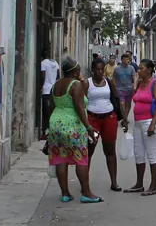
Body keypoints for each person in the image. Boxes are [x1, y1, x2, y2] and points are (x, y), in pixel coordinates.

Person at [47, 56, 102, 203]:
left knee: (61, 158)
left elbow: (51, 106)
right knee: (81, 159)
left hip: (56, 123)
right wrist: (89, 127)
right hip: (72, 125)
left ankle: (65, 193)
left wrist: (49, 127)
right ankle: (86, 193)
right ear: (75, 71)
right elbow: (79, 107)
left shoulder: (56, 85)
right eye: (78, 69)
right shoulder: (75, 85)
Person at [126, 59, 156, 196]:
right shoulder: (141, 83)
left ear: (148, 70)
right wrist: (135, 83)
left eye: (141, 68)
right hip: (138, 122)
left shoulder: (155, 84)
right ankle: (139, 183)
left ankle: (153, 185)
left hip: (149, 121)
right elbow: (134, 98)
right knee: (138, 153)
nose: (139, 70)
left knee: (151, 152)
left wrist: (153, 124)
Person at [84, 58, 121, 191]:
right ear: (92, 70)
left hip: (109, 118)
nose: (99, 72)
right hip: (93, 120)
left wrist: (123, 119)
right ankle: (85, 183)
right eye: (97, 70)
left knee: (110, 150)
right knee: (90, 149)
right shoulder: (86, 83)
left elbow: (117, 99)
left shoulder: (109, 82)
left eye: (101, 69)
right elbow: (81, 102)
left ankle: (114, 182)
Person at [40, 49, 60, 136]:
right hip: (53, 89)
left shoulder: (43, 63)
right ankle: (52, 130)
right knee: (52, 112)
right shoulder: (56, 63)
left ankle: (45, 131)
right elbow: (58, 76)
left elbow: (43, 77)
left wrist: (40, 87)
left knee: (45, 112)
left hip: (46, 89)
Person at [115, 53, 137, 123]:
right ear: (122, 60)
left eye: (128, 59)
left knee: (128, 104)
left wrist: (135, 85)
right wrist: (115, 87)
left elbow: (134, 77)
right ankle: (124, 119)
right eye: (126, 59)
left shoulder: (131, 68)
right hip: (120, 89)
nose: (128, 60)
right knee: (122, 103)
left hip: (129, 89)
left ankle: (125, 117)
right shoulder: (117, 69)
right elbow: (113, 78)